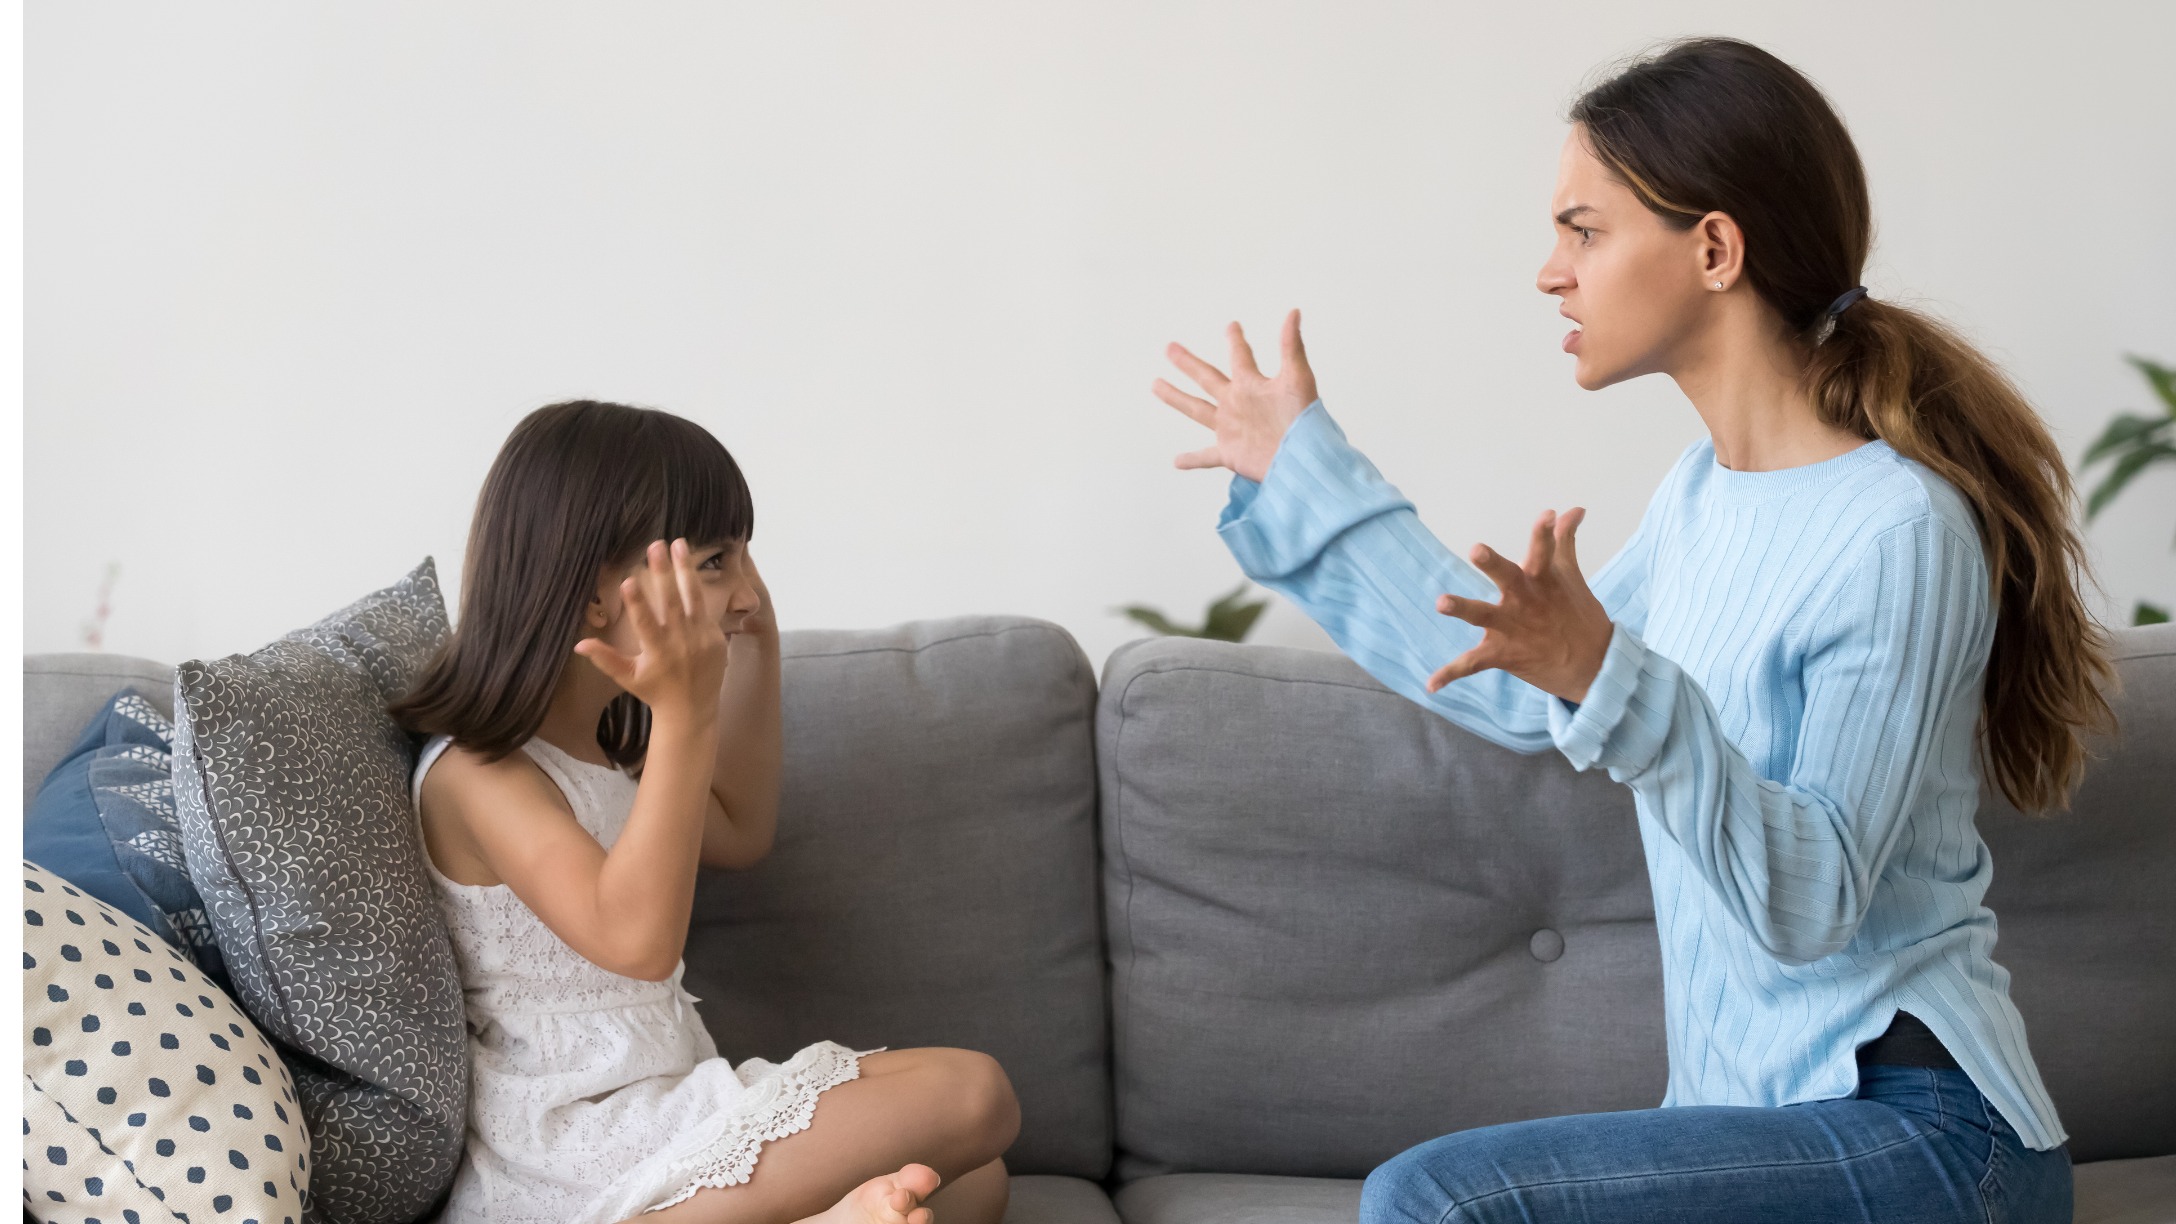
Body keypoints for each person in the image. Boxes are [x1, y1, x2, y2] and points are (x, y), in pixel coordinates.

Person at [1152, 37, 2108, 1224]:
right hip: (1764, 1117)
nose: (1549, 273)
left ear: (1713, 248)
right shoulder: (1704, 497)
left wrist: (1616, 680)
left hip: (1928, 1136)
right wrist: (1306, 478)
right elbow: (1524, 684)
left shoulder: (1896, 530)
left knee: (1436, 1201)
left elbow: (1811, 904)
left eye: (1583, 230)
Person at [393, 401, 1019, 1224]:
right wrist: (684, 717)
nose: (747, 588)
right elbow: (636, 943)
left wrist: (753, 641)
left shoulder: (605, 750)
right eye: (718, 559)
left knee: (974, 1175)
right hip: (572, 1138)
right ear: (592, 597)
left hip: (673, 1100)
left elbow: (739, 829)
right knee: (973, 1094)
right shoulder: (482, 773)